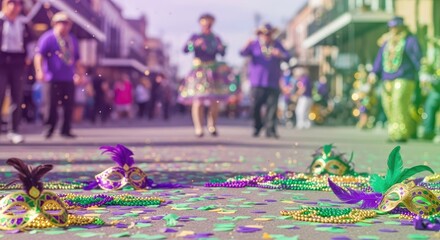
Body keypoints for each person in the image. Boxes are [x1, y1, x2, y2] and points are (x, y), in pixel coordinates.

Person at [370, 16, 422, 143]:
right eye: (392, 26)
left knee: (399, 103)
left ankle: (402, 132)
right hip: (387, 78)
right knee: (388, 105)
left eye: (396, 26)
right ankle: (393, 132)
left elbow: (417, 57)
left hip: (404, 77)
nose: (394, 29)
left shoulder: (409, 40)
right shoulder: (386, 42)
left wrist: (422, 72)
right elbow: (379, 59)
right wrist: (373, 73)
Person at [180, 13, 231, 137]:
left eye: (210, 23)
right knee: (198, 100)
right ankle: (198, 127)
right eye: (205, 23)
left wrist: (221, 48)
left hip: (213, 72)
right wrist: (194, 44)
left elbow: (222, 52)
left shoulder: (215, 38)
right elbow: (185, 49)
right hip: (198, 71)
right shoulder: (195, 36)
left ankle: (212, 125)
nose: (207, 25)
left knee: (215, 100)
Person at [34, 12, 81, 139]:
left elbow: (76, 60)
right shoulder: (48, 37)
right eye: (61, 23)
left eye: (66, 23)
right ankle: (49, 128)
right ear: (55, 24)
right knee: (51, 105)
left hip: (68, 77)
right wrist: (39, 71)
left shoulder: (72, 40)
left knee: (68, 105)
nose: (64, 26)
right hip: (51, 77)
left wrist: (79, 74)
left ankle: (65, 129)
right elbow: (39, 55)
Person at [240, 23, 289, 138]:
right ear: (259, 34)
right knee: (256, 106)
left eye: (269, 33)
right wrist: (246, 45)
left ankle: (270, 130)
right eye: (264, 33)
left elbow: (288, 56)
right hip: (257, 82)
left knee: (272, 107)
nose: (266, 36)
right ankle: (257, 127)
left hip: (273, 82)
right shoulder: (254, 44)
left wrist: (280, 54)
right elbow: (242, 53)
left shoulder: (277, 44)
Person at [0, 0, 34, 144]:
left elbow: (32, 43)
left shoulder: (24, 23)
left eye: (18, 4)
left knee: (17, 96)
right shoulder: (1, 21)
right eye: (12, 3)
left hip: (18, 62)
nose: (15, 7)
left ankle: (13, 130)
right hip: (1, 61)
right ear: (5, 5)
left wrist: (29, 57)